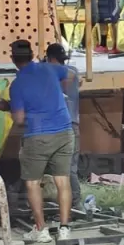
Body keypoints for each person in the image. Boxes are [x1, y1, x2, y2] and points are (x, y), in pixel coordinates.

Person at [0, 40, 73, 243]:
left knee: (32, 183)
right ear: (33, 55)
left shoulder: (18, 85)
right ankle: (64, 229)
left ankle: (41, 230)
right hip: (65, 131)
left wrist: (12, 106)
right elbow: (70, 76)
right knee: (62, 181)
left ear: (13, 59)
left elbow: (19, 119)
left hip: (37, 136)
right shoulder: (50, 68)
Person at [44, 43, 82, 204]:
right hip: (71, 125)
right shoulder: (73, 71)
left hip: (60, 127)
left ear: (50, 58)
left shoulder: (52, 73)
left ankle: (75, 203)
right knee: (67, 168)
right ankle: (72, 203)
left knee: (64, 169)